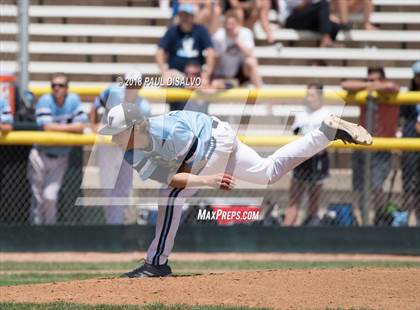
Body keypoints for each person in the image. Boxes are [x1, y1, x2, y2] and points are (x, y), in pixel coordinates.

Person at [99, 100, 372, 277]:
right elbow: (172, 177)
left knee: (170, 196)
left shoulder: (167, 132)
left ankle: (156, 263)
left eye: (118, 133)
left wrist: (207, 178)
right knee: (269, 172)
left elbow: (187, 168)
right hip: (210, 142)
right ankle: (326, 133)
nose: (114, 139)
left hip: (212, 140)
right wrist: (206, 180)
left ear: (135, 128)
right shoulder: (131, 151)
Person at [90, 71, 151, 224]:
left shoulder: (144, 106)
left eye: (135, 83)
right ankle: (112, 227)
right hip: (108, 147)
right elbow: (95, 105)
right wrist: (93, 125)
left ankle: (114, 227)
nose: (131, 86)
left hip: (127, 148)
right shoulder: (113, 91)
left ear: (140, 85)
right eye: (128, 82)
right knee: (108, 189)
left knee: (123, 190)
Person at [28, 73, 88, 225]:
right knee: (38, 199)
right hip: (40, 155)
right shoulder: (45, 100)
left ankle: (49, 231)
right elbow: (47, 127)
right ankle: (36, 233)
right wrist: (69, 127)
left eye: (60, 85)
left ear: (66, 88)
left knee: (50, 196)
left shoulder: (73, 100)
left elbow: (81, 126)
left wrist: (59, 128)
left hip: (60, 157)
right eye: (54, 85)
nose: (56, 88)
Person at [341, 67, 400, 222]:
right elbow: (345, 84)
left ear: (382, 79)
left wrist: (373, 87)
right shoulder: (365, 92)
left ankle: (379, 218)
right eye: (369, 80)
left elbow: (392, 87)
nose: (371, 83)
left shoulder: (390, 93)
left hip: (380, 149)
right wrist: (369, 86)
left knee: (376, 186)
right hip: (362, 147)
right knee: (359, 187)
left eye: (375, 80)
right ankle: (360, 219)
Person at [283, 84, 331, 226]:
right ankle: (285, 234)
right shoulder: (301, 113)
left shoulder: (327, 114)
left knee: (314, 200)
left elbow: (327, 140)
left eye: (312, 95)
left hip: (317, 159)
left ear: (320, 97)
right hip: (301, 159)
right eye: (308, 95)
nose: (309, 98)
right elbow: (295, 134)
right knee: (294, 199)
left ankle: (310, 232)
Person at [156, 3, 215, 88]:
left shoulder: (201, 30)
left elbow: (210, 51)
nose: (185, 18)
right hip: (177, 74)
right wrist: (164, 71)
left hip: (196, 74)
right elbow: (160, 51)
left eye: (187, 15)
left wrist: (207, 73)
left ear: (192, 17)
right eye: (182, 15)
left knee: (204, 83)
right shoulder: (172, 31)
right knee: (166, 80)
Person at [212, 10, 263, 88]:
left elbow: (249, 53)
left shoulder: (246, 33)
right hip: (224, 72)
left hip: (241, 71)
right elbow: (216, 59)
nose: (229, 27)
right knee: (215, 84)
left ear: (238, 24)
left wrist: (237, 41)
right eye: (227, 24)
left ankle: (260, 91)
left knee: (251, 61)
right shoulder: (218, 36)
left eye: (232, 24)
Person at [399, 61, 420, 225]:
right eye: (418, 76)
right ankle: (404, 219)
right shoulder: (409, 96)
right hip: (411, 144)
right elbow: (403, 119)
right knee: (408, 184)